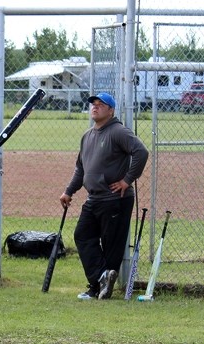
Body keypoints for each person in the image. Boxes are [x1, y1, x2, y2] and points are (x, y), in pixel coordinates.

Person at [61, 92, 149, 300]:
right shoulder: (87, 136)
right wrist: (69, 191)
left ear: (111, 110)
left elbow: (141, 152)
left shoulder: (118, 131)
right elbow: (80, 169)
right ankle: (100, 279)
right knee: (82, 235)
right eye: (93, 104)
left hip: (116, 198)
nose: (95, 107)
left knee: (111, 244)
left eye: (101, 104)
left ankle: (98, 289)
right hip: (94, 198)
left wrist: (127, 180)